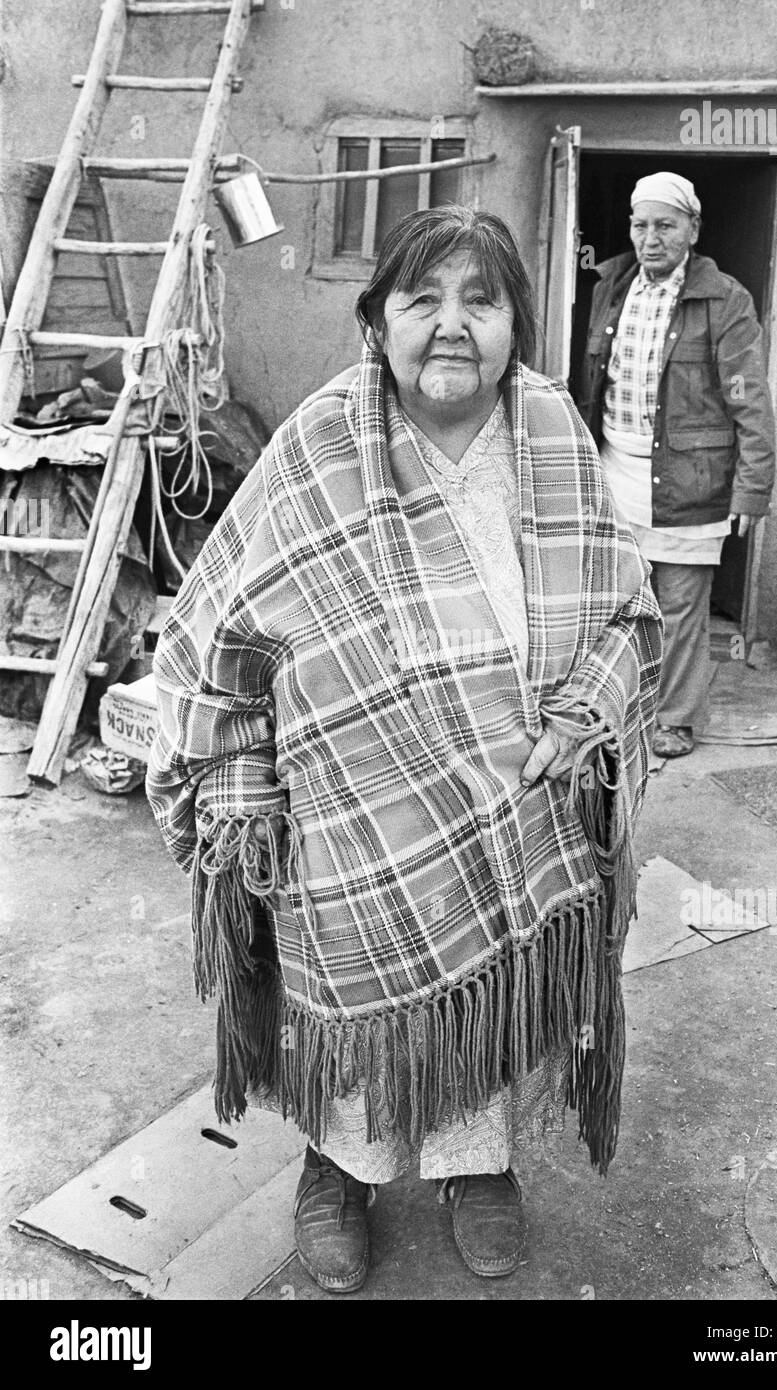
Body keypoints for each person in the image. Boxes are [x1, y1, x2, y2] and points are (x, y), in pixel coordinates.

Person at [146, 206, 662, 1294]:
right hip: (352, 812)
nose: (450, 325)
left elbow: (629, 616)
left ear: (517, 322)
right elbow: (214, 629)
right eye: (421, 298)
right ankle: (339, 1171)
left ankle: (476, 1170)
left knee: (493, 1002)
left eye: (480, 299)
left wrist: (582, 714)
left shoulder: (555, 437)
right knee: (346, 1006)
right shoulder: (320, 445)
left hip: (516, 803)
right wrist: (240, 776)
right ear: (375, 319)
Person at [578, 172, 775, 757]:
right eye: (641, 225)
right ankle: (614, 704)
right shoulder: (610, 285)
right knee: (613, 597)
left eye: (665, 225)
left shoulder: (724, 300)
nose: (650, 238)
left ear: (692, 229)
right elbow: (590, 383)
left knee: (682, 605)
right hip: (615, 468)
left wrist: (751, 490)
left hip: (691, 480)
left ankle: (676, 719)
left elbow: (750, 398)